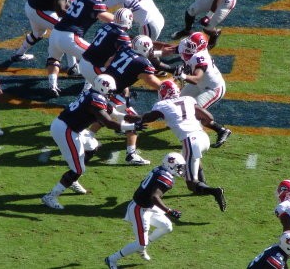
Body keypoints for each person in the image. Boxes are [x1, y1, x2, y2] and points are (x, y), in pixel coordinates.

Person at [41, 74, 146, 210]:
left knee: (93, 146)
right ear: (104, 88)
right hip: (66, 130)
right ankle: (50, 196)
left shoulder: (93, 93)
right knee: (78, 169)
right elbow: (108, 123)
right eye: (111, 91)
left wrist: (138, 118)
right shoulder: (95, 99)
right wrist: (132, 126)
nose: (112, 93)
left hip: (71, 128)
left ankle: (73, 179)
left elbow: (114, 113)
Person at [138, 80, 228, 212]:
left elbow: (149, 117)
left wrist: (135, 118)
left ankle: (214, 191)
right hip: (203, 137)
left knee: (191, 184)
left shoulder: (162, 104)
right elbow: (208, 117)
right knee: (191, 157)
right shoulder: (188, 99)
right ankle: (202, 184)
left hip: (191, 140)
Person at [104, 152, 186, 269]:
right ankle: (111, 259)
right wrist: (169, 211)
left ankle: (142, 247)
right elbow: (154, 197)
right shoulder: (166, 177)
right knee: (141, 243)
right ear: (171, 165)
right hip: (139, 209)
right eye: (179, 167)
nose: (180, 170)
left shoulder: (159, 169)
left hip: (148, 207)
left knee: (167, 227)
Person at [10, 0, 86, 76]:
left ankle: (19, 54)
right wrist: (73, 15)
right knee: (67, 30)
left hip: (35, 6)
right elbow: (60, 9)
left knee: (38, 33)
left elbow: (62, 3)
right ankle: (73, 67)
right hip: (38, 10)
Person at [97, 35, 163, 165]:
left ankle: (87, 136)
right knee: (132, 121)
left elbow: (108, 63)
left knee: (102, 115)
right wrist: (170, 85)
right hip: (113, 94)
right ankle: (131, 155)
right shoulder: (142, 63)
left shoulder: (125, 49)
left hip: (103, 87)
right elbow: (153, 82)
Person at [46, 0, 114, 97]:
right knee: (95, 58)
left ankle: (52, 85)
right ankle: (86, 90)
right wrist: (121, 17)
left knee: (53, 59)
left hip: (55, 33)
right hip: (70, 37)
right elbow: (107, 17)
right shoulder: (94, 4)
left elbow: (88, 4)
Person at [103, 0, 173, 75]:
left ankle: (168, 65)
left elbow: (104, 6)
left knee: (139, 50)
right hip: (154, 18)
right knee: (145, 47)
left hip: (149, 22)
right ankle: (164, 60)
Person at [174, 32, 232, 147]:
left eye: (193, 44)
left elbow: (196, 78)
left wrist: (183, 76)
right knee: (177, 101)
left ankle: (219, 131)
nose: (188, 46)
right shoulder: (193, 51)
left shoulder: (200, 57)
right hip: (200, 84)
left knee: (195, 113)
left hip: (212, 88)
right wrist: (153, 53)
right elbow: (169, 49)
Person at [78, 7, 133, 89]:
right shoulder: (122, 35)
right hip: (94, 69)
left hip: (83, 62)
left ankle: (87, 87)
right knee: (121, 84)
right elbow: (128, 54)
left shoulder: (105, 25)